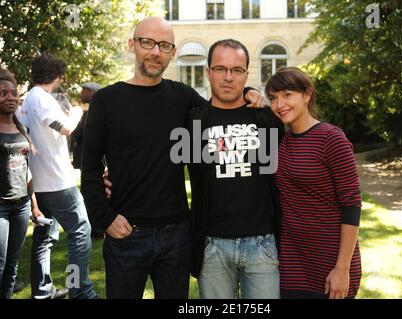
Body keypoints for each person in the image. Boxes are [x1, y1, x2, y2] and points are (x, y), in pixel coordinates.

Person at [81, 17, 263, 299]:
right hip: (127, 234)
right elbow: (89, 167)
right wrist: (104, 218)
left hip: (176, 236)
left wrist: (248, 91)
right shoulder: (107, 100)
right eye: (147, 42)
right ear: (132, 45)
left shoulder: (183, 97)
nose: (155, 51)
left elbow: (222, 112)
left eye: (164, 45)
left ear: (173, 53)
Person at [187, 39, 284, 299]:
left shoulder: (267, 120)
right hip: (212, 246)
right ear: (208, 72)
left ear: (246, 74)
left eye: (236, 70)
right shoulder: (193, 121)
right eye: (220, 68)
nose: (228, 77)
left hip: (262, 242)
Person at [265, 67, 362, 299]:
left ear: (307, 95)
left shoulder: (331, 138)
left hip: (330, 263)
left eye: (287, 95)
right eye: (273, 98)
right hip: (291, 264)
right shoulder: (278, 142)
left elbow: (352, 206)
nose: (280, 104)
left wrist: (342, 268)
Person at [21, 54, 97, 299]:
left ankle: (42, 291)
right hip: (57, 181)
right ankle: (79, 289)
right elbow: (65, 128)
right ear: (57, 76)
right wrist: (76, 111)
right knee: (80, 232)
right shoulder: (41, 98)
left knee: (44, 239)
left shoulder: (27, 101)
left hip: (39, 181)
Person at [0, 68, 43, 299]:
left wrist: (34, 205)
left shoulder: (22, 129)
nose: (10, 98)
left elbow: (26, 170)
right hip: (1, 207)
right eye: (3, 94)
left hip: (21, 206)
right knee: (0, 263)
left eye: (14, 93)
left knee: (12, 266)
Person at [71, 82, 102, 170]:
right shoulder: (95, 110)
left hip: (88, 160)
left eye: (83, 91)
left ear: (91, 92)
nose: (81, 94)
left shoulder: (93, 112)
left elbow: (78, 134)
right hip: (87, 159)